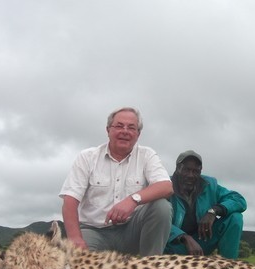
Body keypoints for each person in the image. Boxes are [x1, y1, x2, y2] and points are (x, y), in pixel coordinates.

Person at [59, 107, 173, 256]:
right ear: (108, 130)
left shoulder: (147, 155)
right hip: (95, 231)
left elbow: (166, 186)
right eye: (119, 126)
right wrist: (75, 238)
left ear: (138, 134)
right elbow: (70, 201)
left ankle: (150, 268)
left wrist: (133, 200)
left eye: (131, 127)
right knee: (79, 266)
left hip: (132, 231)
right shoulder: (87, 157)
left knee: (162, 207)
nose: (125, 131)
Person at [164, 150, 246, 259]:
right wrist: (183, 237)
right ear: (178, 169)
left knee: (235, 218)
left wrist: (213, 211)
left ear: (200, 172)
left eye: (195, 171)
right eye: (186, 170)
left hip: (202, 243)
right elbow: (155, 219)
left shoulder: (209, 185)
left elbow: (239, 200)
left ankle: (228, 267)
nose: (191, 175)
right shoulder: (165, 186)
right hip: (174, 246)